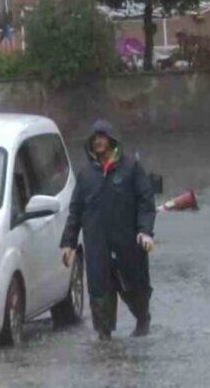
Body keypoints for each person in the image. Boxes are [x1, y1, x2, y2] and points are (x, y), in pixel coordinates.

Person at [60, 120, 156, 339]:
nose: (98, 141)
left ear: (112, 141)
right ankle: (104, 337)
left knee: (134, 286)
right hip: (97, 246)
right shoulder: (86, 175)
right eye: (95, 138)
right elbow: (76, 210)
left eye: (102, 137)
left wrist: (145, 231)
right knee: (100, 292)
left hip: (128, 244)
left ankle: (143, 320)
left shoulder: (131, 168)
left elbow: (146, 201)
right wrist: (68, 243)